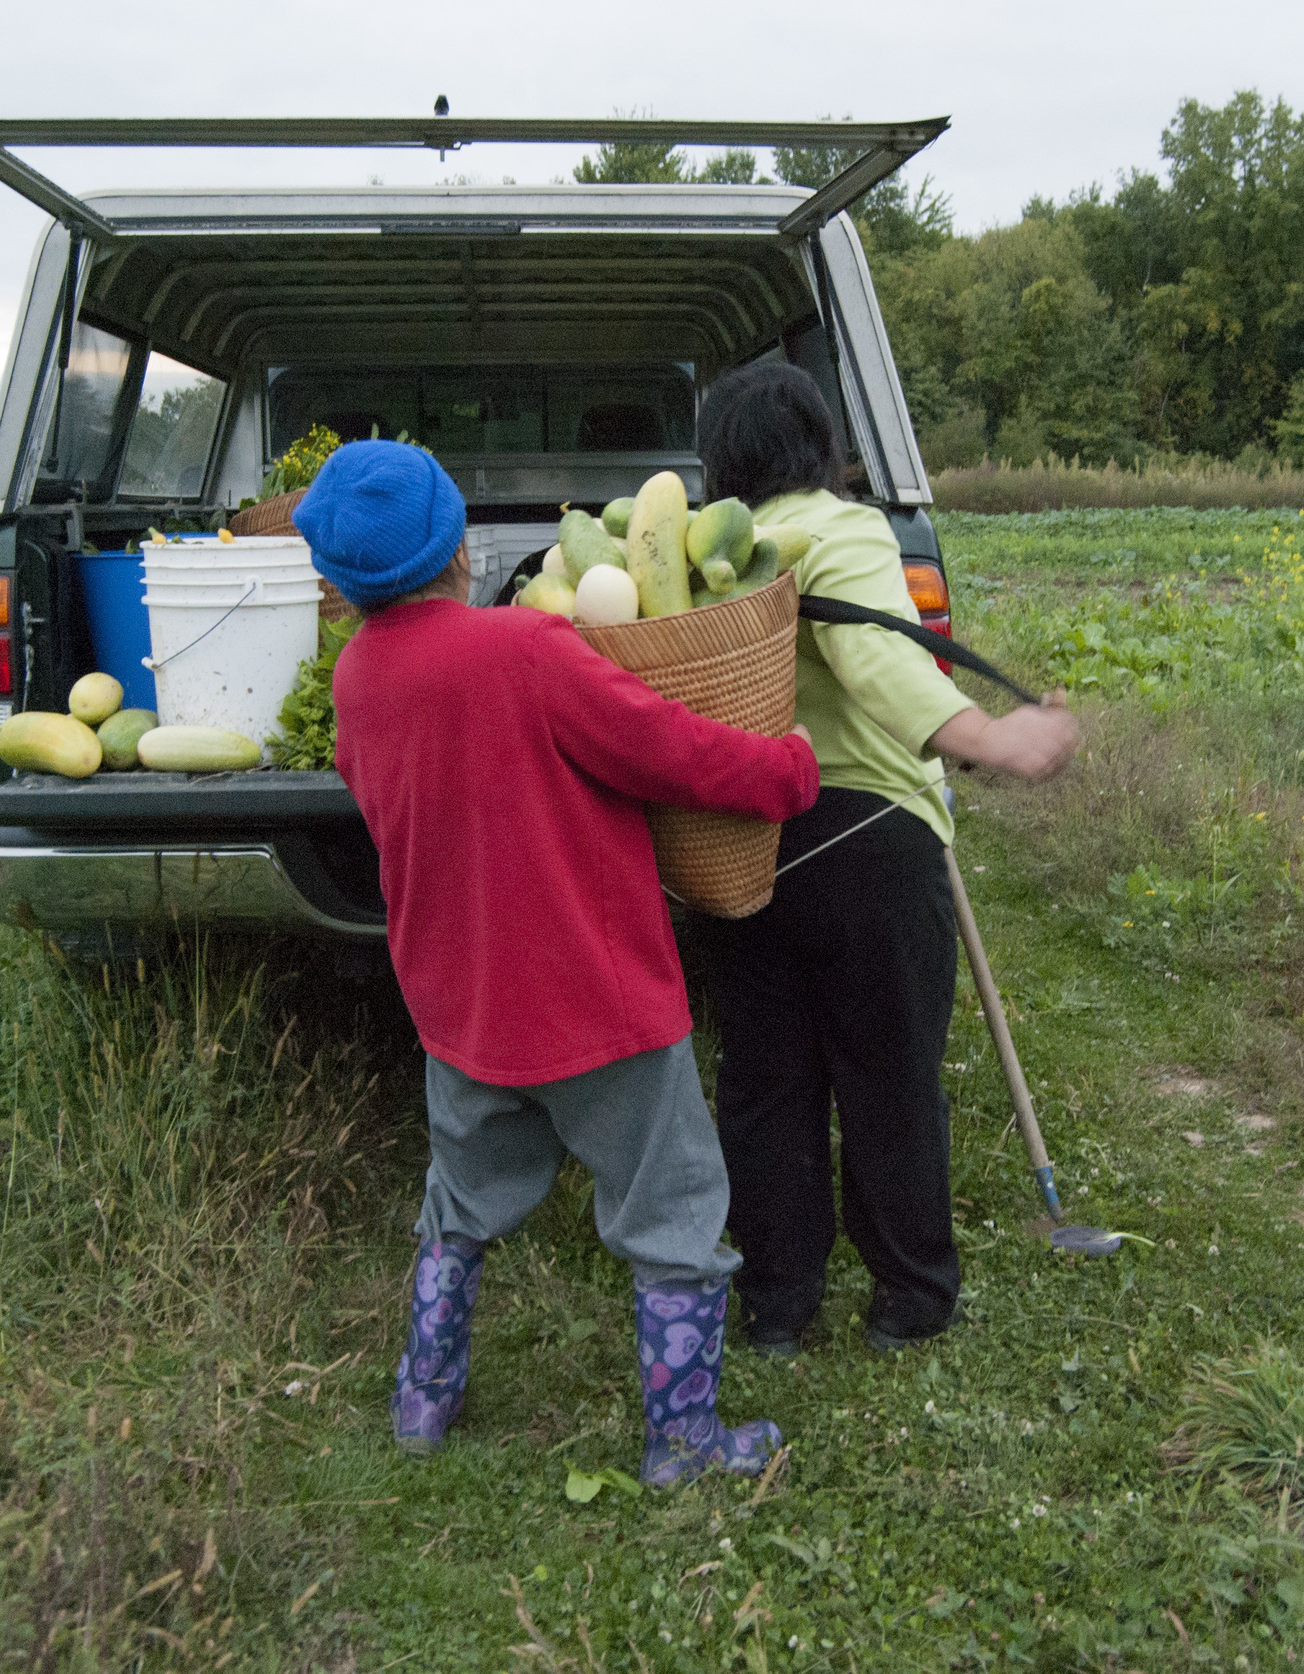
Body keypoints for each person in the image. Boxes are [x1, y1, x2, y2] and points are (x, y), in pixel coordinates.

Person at [297, 439, 822, 1486]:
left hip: (464, 1005)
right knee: (671, 1208)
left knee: (460, 1202)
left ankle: (422, 1401)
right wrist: (786, 771)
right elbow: (663, 747)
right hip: (600, 999)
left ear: (333, 580)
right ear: (457, 547)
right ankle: (682, 1440)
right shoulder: (529, 651)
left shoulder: (356, 678)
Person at [691, 362, 1080, 1356]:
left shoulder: (701, 556)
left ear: (719, 461)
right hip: (863, 844)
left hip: (736, 848)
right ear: (820, 444)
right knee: (888, 1070)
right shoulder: (838, 529)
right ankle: (908, 1298)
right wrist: (992, 742)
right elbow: (879, 658)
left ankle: (777, 1303)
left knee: (764, 1077)